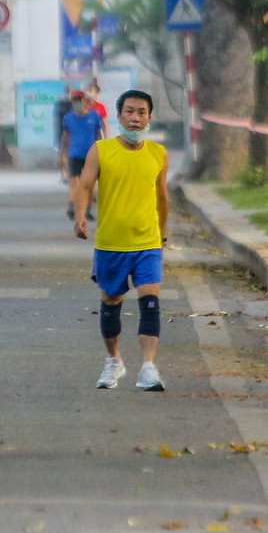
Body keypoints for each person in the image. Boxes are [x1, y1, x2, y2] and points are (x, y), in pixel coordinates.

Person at [73, 90, 169, 391]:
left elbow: (162, 197)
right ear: (119, 115)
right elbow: (85, 185)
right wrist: (80, 216)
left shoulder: (158, 154)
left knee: (150, 302)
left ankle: (149, 368)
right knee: (111, 302)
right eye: (129, 111)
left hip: (148, 243)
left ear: (149, 117)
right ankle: (113, 361)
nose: (135, 118)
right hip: (111, 243)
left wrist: (162, 233)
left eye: (142, 112)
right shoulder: (101, 150)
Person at [60, 90, 103, 220]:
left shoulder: (94, 116)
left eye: (79, 100)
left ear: (84, 101)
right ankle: (72, 206)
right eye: (75, 101)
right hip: (74, 154)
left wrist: (102, 150)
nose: (77, 103)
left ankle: (87, 209)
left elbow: (99, 134)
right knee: (74, 181)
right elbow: (65, 137)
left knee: (89, 184)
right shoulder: (68, 118)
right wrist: (62, 154)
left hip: (91, 154)